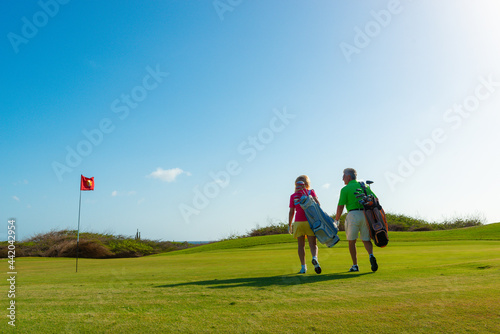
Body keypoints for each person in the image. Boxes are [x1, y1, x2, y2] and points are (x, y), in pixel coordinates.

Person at [335, 168, 379, 272]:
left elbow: (340, 206)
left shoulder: (345, 189)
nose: (342, 179)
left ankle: (355, 265)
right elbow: (376, 199)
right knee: (366, 239)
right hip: (365, 215)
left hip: (353, 215)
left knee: (352, 241)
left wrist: (337, 219)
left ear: (349, 177)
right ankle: (371, 255)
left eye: (343, 176)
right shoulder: (364, 186)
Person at [288, 175, 322, 274]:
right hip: (310, 221)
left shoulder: (293, 196)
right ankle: (314, 258)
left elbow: (291, 212)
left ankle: (303, 267)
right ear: (307, 184)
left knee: (301, 246)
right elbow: (318, 204)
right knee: (313, 244)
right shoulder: (311, 192)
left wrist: (289, 225)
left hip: (298, 222)